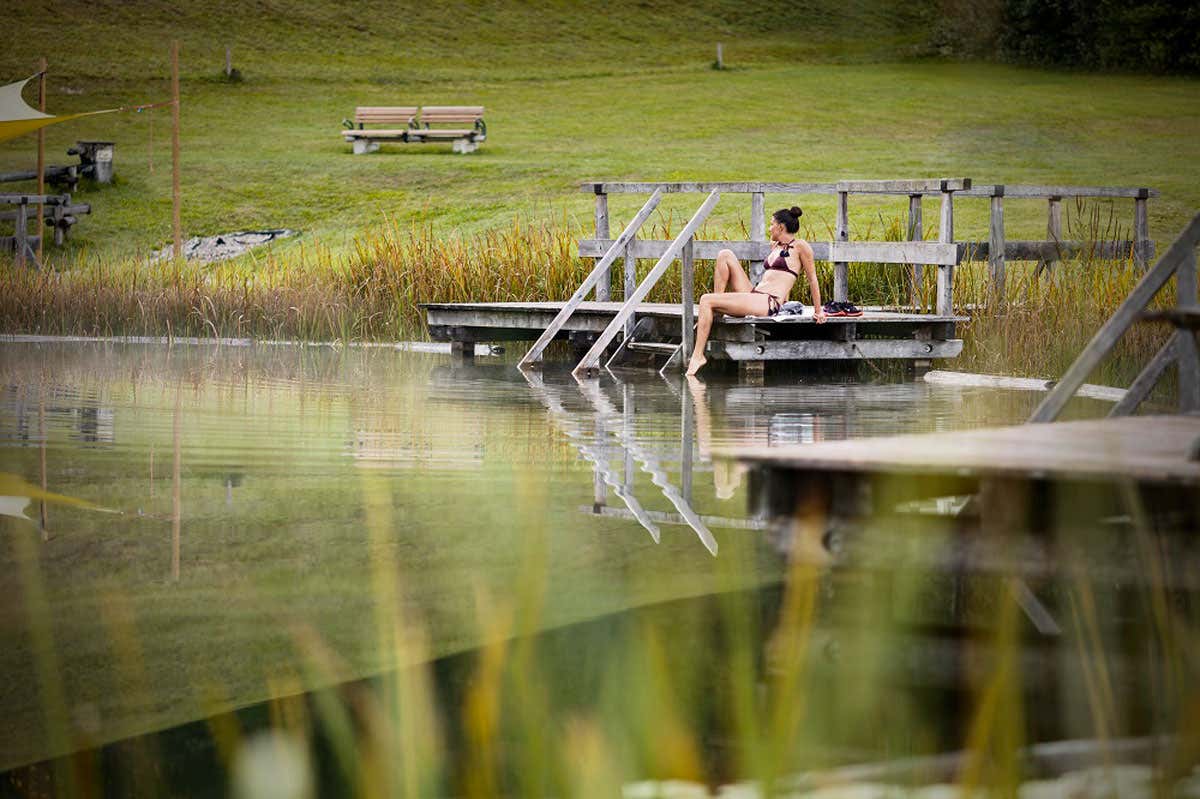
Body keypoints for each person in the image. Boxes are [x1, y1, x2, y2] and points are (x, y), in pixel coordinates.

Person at [686, 206, 825, 376]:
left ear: (781, 227)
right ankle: (717, 310)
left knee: (706, 300)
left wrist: (819, 312)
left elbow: (812, 279)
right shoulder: (776, 246)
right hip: (756, 294)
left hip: (768, 302)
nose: (769, 228)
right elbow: (777, 276)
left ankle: (698, 355)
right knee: (725, 254)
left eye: (772, 224)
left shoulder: (801, 247)